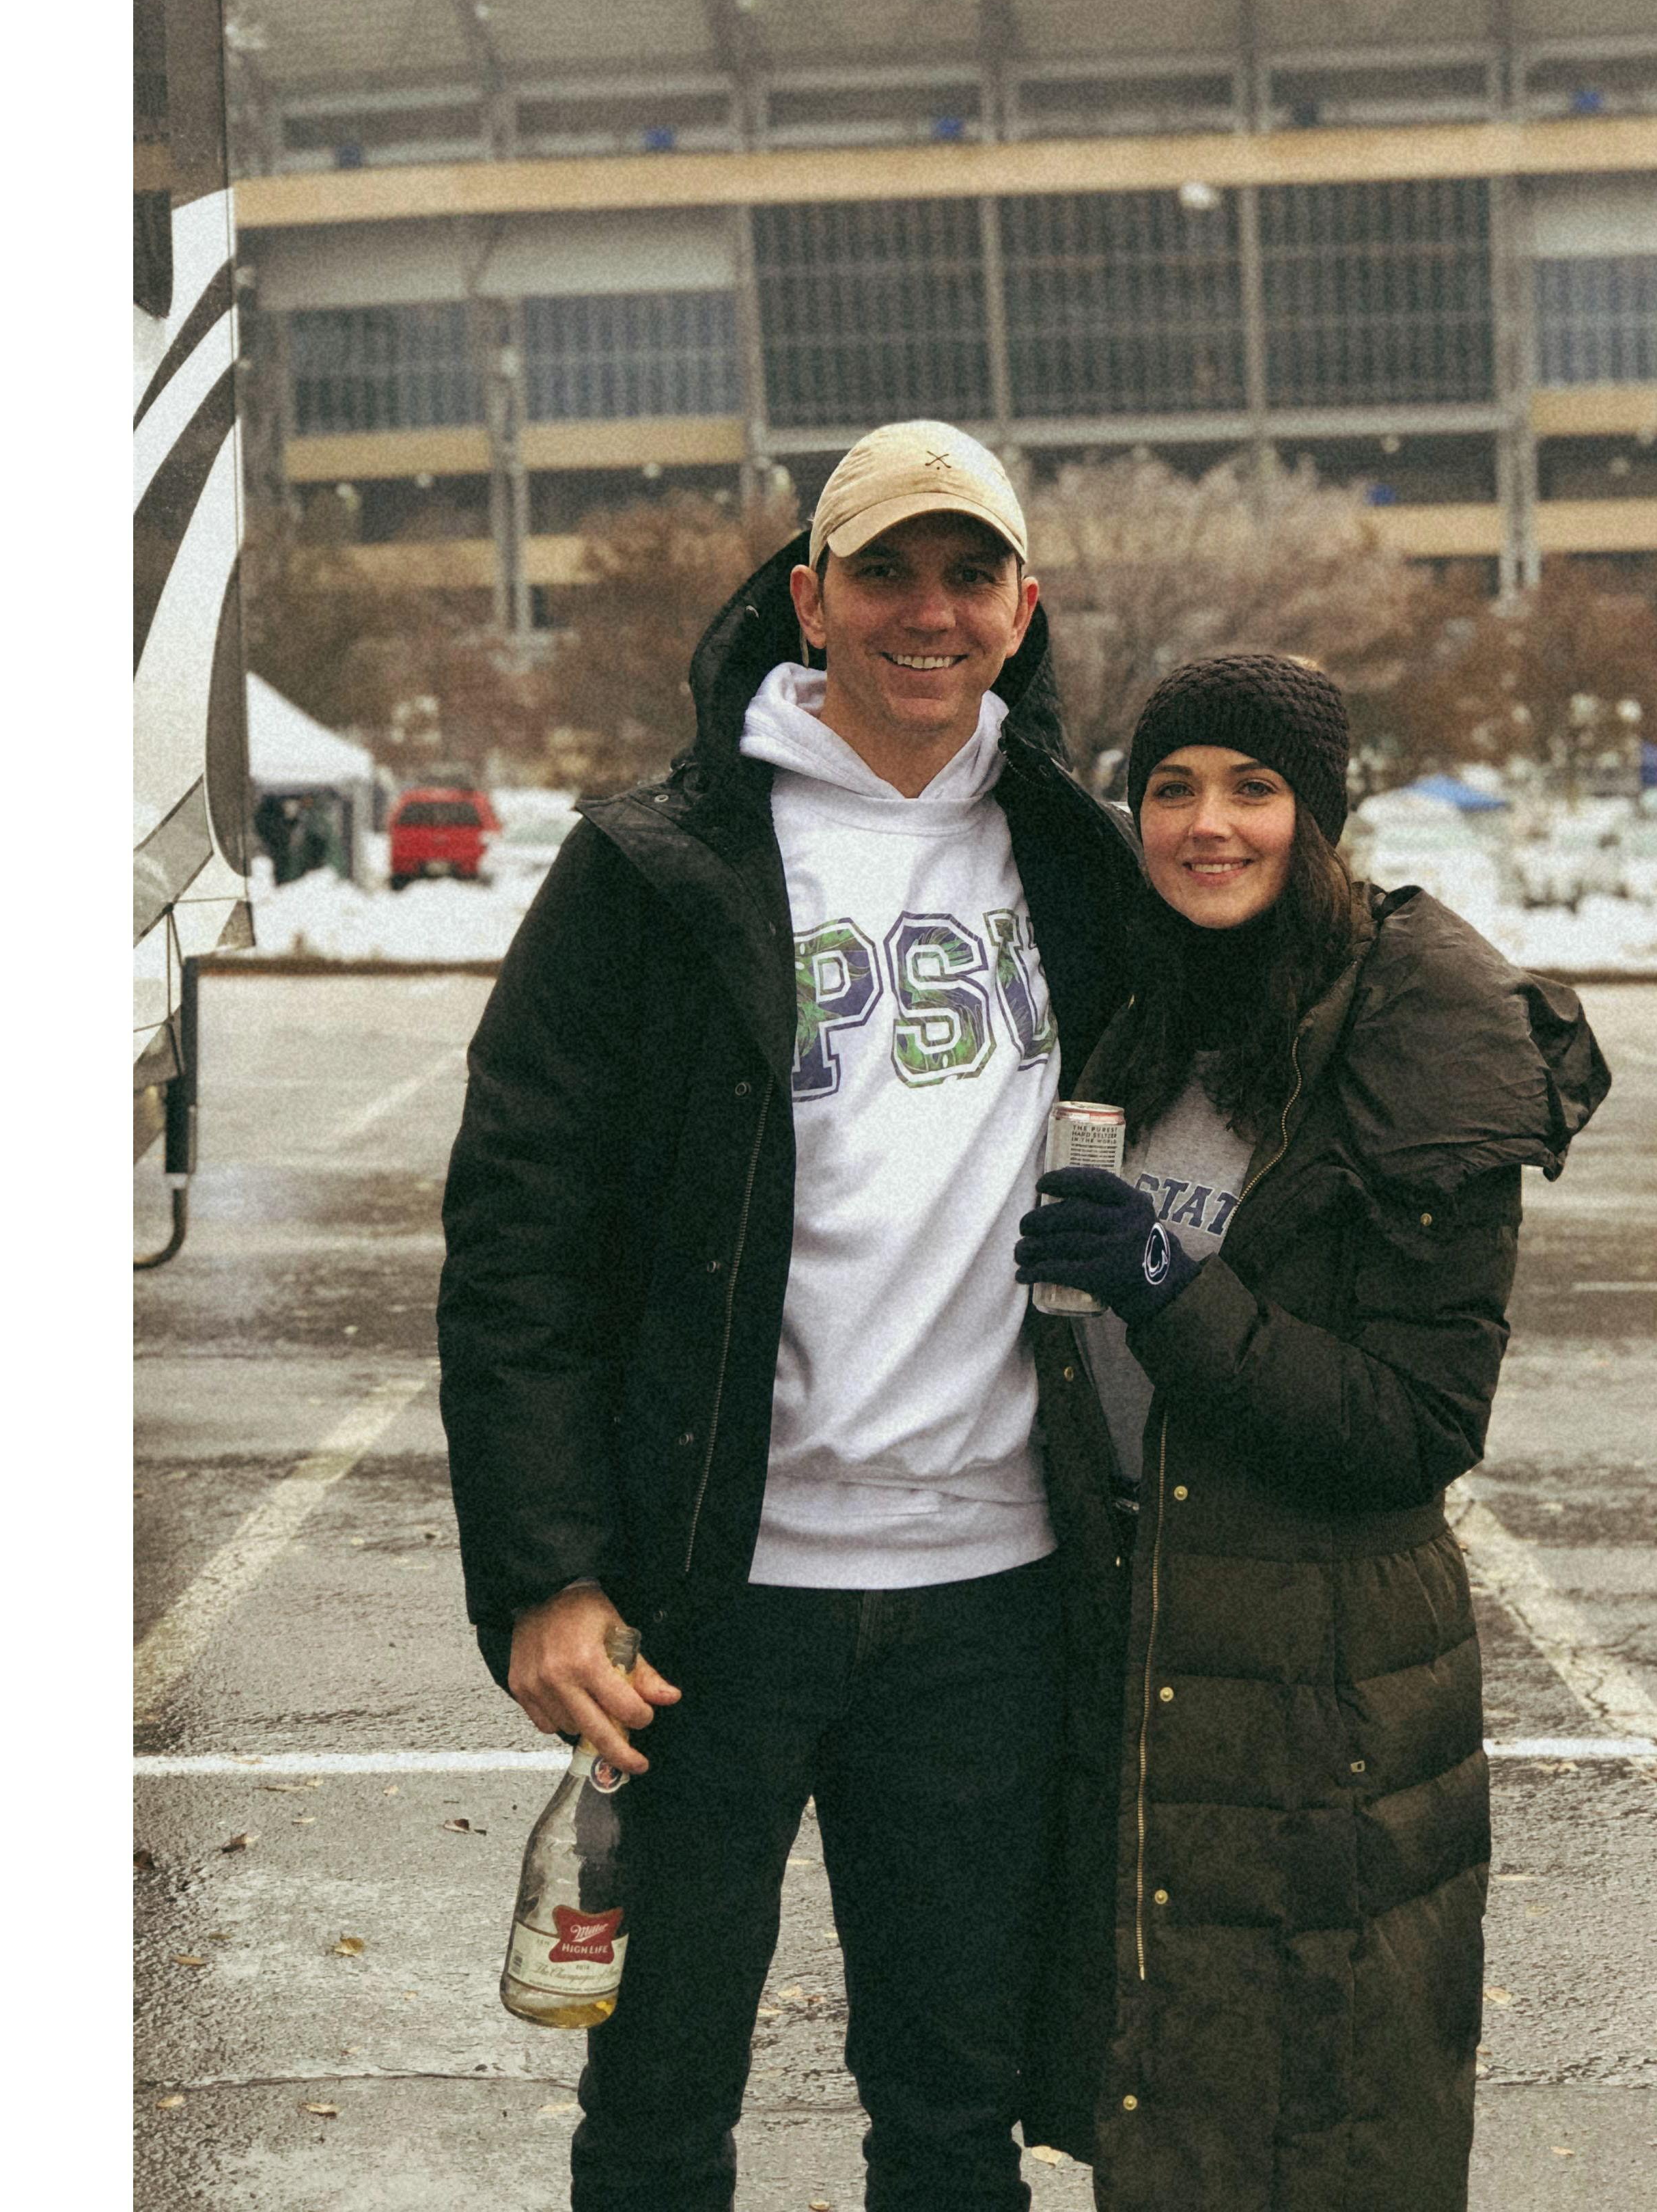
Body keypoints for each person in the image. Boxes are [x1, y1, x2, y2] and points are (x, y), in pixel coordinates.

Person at [436, 419, 1149, 2211]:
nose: (930, 612)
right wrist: (546, 1570)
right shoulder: (657, 866)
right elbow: (522, 1239)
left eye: (968, 575)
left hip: (992, 1596)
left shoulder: (1077, 860)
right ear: (809, 596)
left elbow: (1300, 982)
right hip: (708, 1605)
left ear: (1024, 606)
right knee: (662, 2109)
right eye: (887, 573)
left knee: (952, 2115)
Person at [1013, 652, 1611, 2212]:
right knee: (1168, 2137)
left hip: (1329, 1693)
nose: (1209, 826)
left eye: (1254, 789)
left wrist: (1166, 1287)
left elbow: (1417, 1422)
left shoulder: (1421, 1041)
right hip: (1149, 1663)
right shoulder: (1138, 1022)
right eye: (1172, 787)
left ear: (1321, 817)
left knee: (1330, 2139)